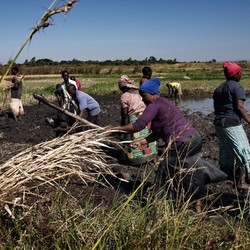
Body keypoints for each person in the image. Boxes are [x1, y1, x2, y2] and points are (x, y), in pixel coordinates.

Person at [107, 78, 227, 212]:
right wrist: (141, 142)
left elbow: (137, 126)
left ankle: (161, 203)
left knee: (164, 172)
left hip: (182, 143)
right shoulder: (164, 103)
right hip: (194, 139)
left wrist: (114, 129)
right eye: (141, 96)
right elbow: (158, 132)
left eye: (144, 96)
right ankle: (196, 206)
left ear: (152, 93)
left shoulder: (154, 105)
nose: (143, 99)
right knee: (192, 172)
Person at [213, 62, 250, 192]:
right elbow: (240, 107)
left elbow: (217, 109)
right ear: (235, 74)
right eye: (240, 72)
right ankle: (242, 181)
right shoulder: (237, 87)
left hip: (219, 123)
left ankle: (227, 175)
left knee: (227, 151)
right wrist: (249, 120)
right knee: (244, 150)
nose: (242, 74)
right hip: (231, 122)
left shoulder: (219, 89)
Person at [118, 75, 157, 164]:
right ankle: (151, 156)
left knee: (132, 139)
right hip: (147, 117)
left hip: (135, 119)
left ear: (123, 86)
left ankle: (136, 159)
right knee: (148, 137)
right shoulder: (139, 91)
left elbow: (124, 115)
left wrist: (122, 128)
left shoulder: (124, 96)